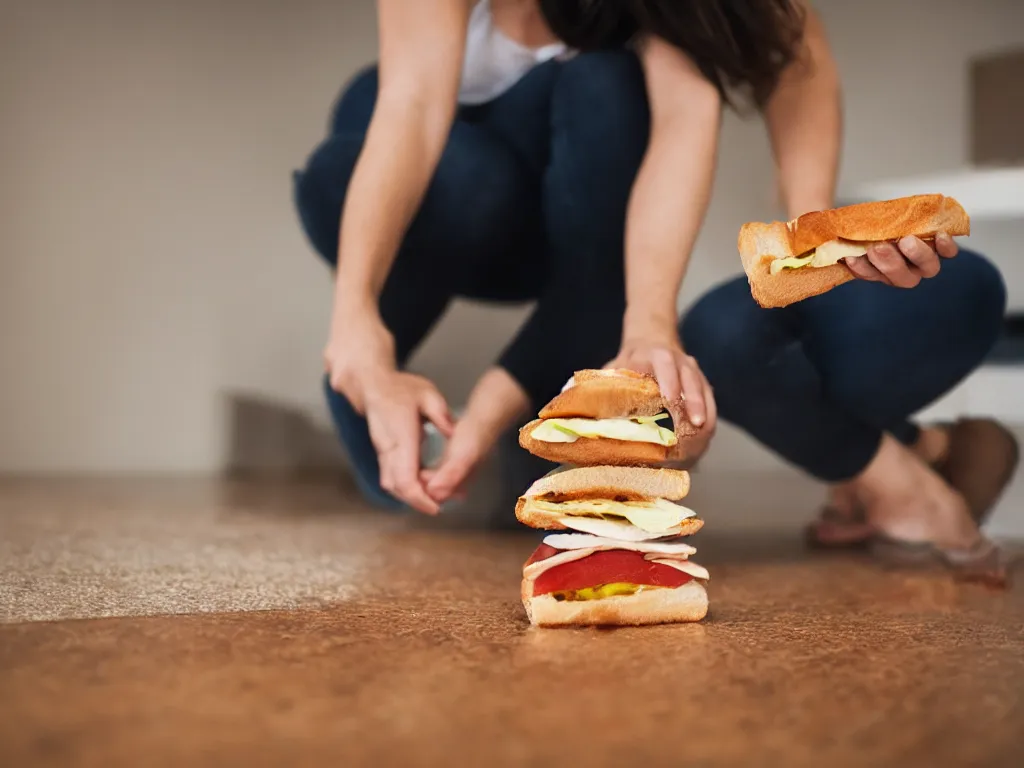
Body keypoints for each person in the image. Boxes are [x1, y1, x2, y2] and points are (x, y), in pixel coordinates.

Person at [292, 0, 1014, 571]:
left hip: (579, 254)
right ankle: (911, 459)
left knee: (610, 92)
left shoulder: (638, 36)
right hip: (429, 200)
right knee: (452, 167)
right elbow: (412, 106)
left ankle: (906, 461)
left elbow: (734, 84)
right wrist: (356, 323)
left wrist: (663, 321)